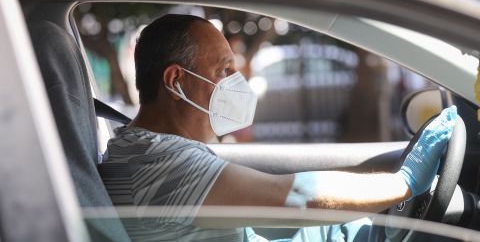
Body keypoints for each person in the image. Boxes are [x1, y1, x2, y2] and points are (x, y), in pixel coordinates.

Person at [99, 14, 458, 242]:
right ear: (176, 81)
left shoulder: (144, 150)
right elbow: (297, 196)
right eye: (223, 71)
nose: (235, 82)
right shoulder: (159, 163)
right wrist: (404, 182)